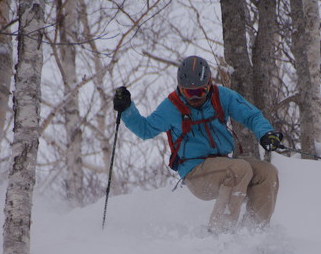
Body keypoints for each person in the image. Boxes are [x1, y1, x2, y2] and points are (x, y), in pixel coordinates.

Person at [113, 55, 284, 234]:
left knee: (267, 172)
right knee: (239, 168)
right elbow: (145, 129)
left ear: (209, 84)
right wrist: (126, 109)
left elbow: (251, 115)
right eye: (189, 92)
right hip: (196, 173)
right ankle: (221, 234)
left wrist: (266, 133)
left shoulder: (222, 96)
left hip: (223, 165)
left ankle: (256, 233)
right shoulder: (172, 107)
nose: (194, 97)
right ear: (180, 88)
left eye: (200, 91)